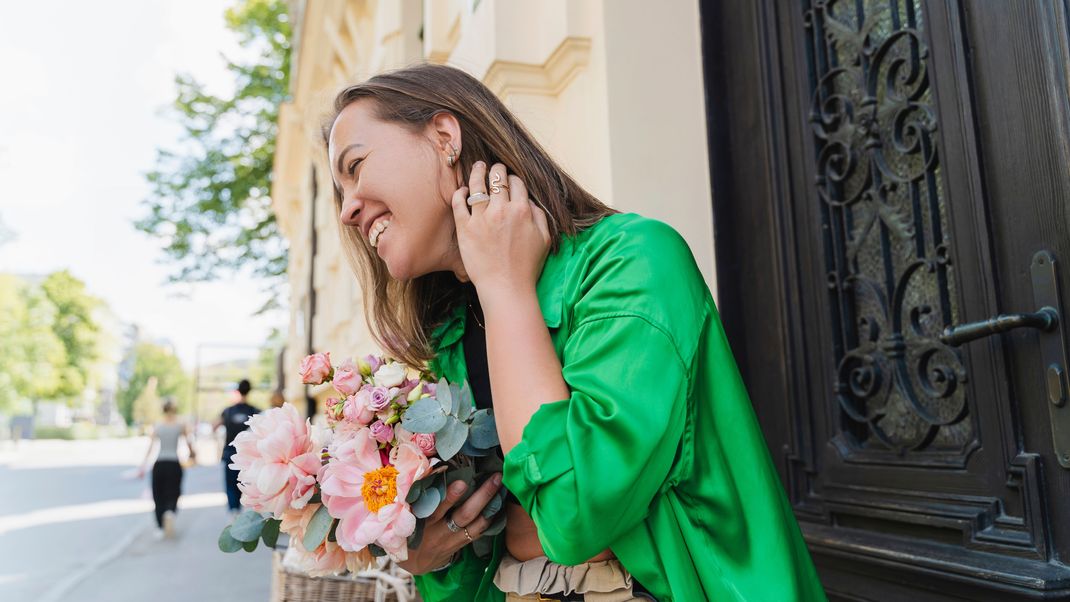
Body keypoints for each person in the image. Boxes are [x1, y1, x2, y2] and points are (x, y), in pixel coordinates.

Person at [324, 64, 827, 601]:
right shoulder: (452, 338)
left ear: (445, 137)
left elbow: (573, 516)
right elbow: (481, 559)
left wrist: (506, 290)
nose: (348, 208)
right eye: (340, 190)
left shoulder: (635, 260)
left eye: (356, 166)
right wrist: (430, 553)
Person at [138, 399, 195, 539]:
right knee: (174, 491)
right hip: (174, 463)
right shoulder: (181, 424)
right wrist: (193, 455)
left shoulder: (157, 425)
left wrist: (143, 465)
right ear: (175, 410)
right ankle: (170, 511)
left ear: (163, 409)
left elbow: (151, 447)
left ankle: (159, 527)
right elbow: (189, 444)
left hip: (159, 464)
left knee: (158, 495)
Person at [214, 379, 259, 515]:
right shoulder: (254, 411)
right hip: (248, 456)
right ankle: (249, 510)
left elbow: (214, 426)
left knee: (230, 484)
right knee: (248, 483)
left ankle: (234, 511)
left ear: (238, 391)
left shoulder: (227, 411)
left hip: (229, 454)